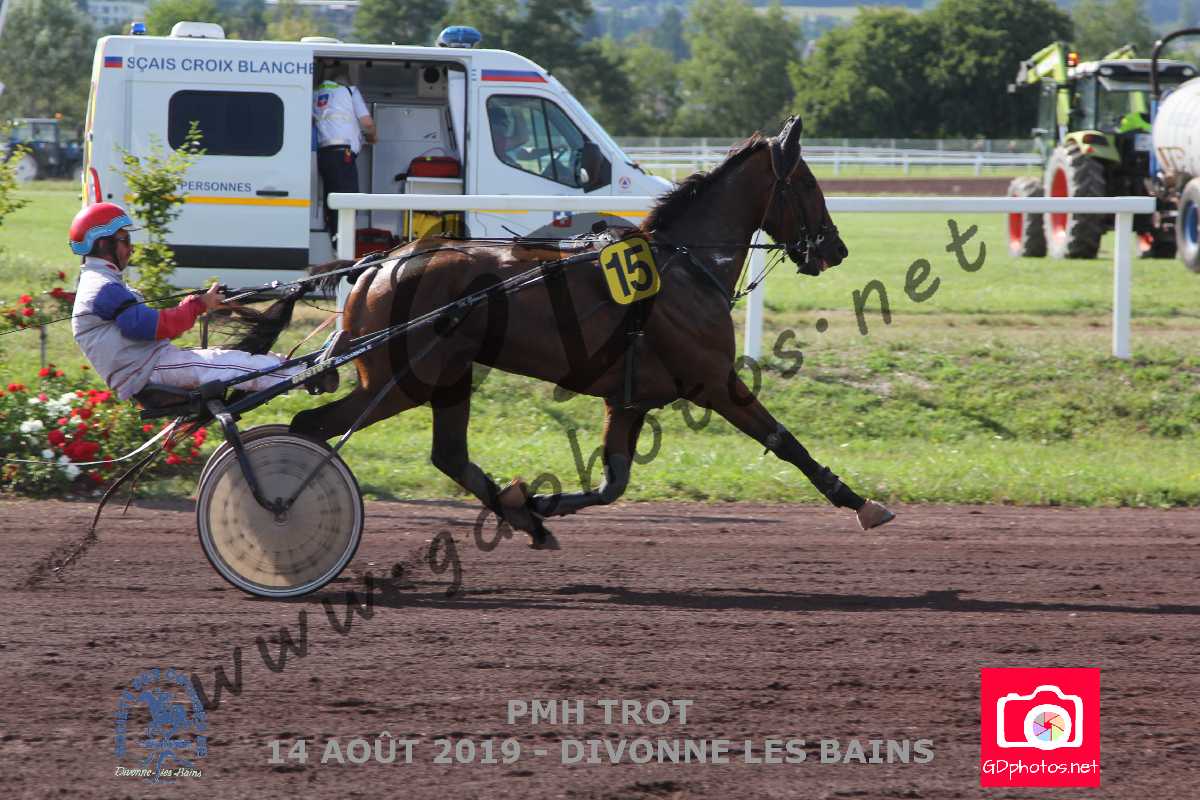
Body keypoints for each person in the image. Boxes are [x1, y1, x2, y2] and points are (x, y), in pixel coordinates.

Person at [69, 202, 303, 401]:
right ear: (103, 244)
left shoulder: (103, 282)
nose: (131, 248)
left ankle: (296, 369)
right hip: (147, 370)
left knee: (236, 359)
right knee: (233, 364)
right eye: (125, 239)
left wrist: (198, 303)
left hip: (149, 364)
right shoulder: (102, 287)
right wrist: (198, 305)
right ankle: (305, 375)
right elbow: (149, 326)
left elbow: (154, 327)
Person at [313, 65, 377, 236]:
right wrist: (373, 136)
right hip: (342, 154)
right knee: (348, 199)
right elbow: (367, 123)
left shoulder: (316, 93)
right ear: (346, 79)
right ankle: (344, 241)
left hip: (323, 154)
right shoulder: (350, 91)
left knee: (331, 197)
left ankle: (334, 237)